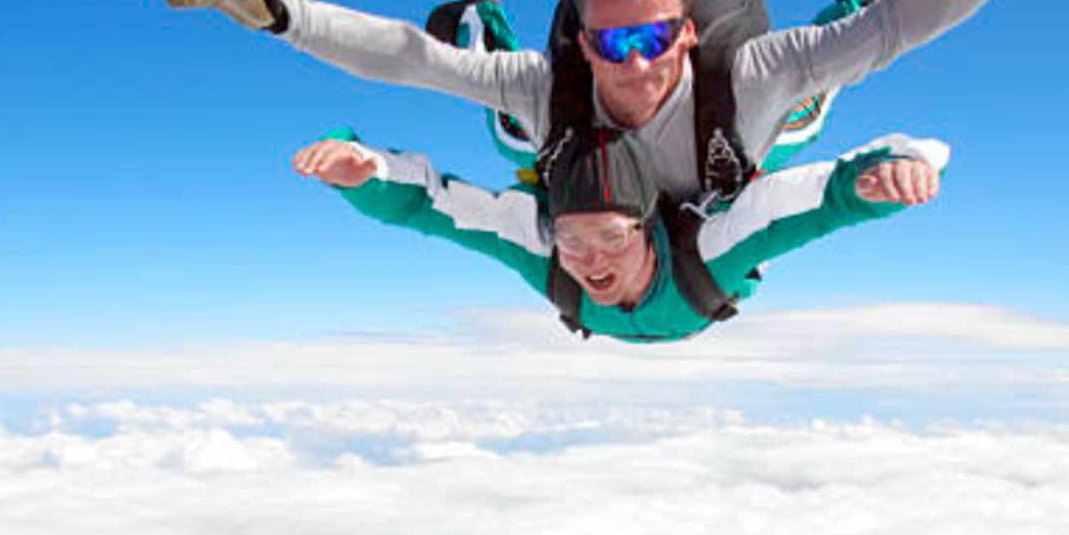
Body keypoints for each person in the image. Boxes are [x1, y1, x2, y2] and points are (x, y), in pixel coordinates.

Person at [159, 0, 1052, 204]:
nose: (635, 63)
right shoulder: (550, 84)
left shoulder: (751, 75)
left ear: (687, 33)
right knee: (511, 125)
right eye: (612, 43)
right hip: (563, 136)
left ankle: (835, 9)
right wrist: (283, 13)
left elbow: (908, 19)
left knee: (817, 97)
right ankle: (487, 22)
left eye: (655, 38)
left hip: (741, 138)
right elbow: (414, 61)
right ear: (584, 42)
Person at [290, 127, 947, 342]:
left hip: (708, 192)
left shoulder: (712, 253)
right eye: (571, 240)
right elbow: (433, 207)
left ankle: (847, 17)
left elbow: (812, 202)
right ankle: (479, 24)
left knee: (773, 137)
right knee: (521, 134)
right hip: (581, 166)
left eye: (610, 238)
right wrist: (365, 171)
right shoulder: (546, 251)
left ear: (646, 229)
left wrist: (891, 172)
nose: (590, 260)